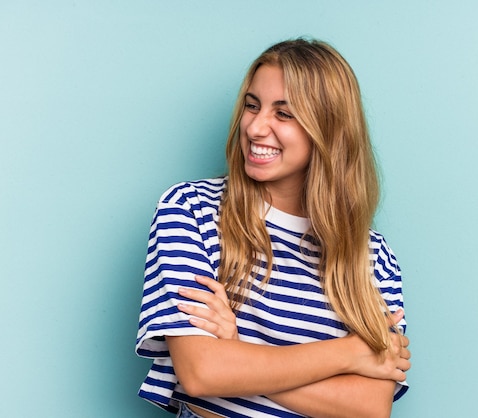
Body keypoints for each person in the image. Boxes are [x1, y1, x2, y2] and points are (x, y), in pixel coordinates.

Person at [136, 38, 411, 418]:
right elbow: (203, 372)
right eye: (252, 106)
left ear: (328, 129)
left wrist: (238, 353)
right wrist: (350, 353)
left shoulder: (374, 258)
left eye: (284, 114)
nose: (255, 127)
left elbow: (368, 407)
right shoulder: (191, 211)